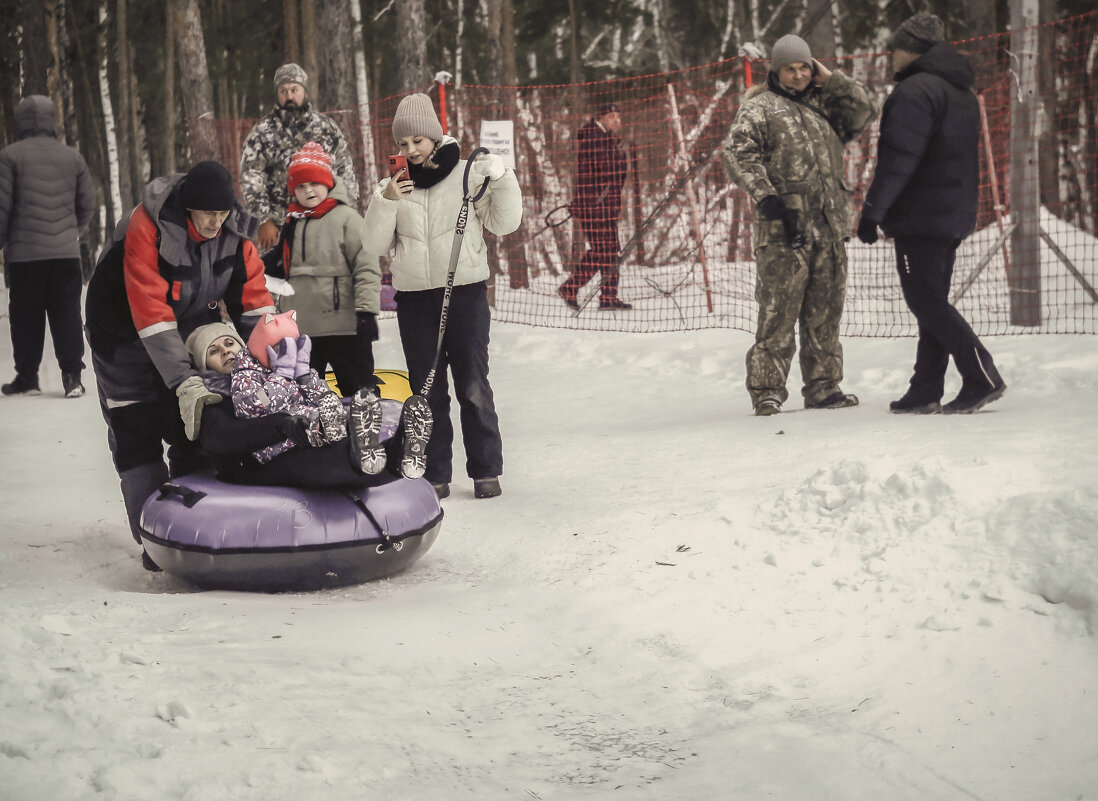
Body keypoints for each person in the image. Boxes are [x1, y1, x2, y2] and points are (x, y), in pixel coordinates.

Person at [84, 160, 277, 558]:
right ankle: (155, 541)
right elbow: (150, 313)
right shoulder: (147, 226)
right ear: (189, 207)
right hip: (120, 334)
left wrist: (275, 362)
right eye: (208, 213)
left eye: (223, 214)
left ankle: (201, 527)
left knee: (199, 423)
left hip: (188, 324)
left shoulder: (235, 234)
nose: (215, 222)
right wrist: (184, 380)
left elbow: (255, 305)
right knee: (137, 428)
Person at [362, 93, 522, 500]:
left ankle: (486, 469)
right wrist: (386, 202)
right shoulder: (392, 187)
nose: (411, 150)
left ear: (435, 136)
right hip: (415, 300)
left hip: (465, 293)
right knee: (426, 390)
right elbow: (374, 244)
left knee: (472, 382)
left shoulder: (469, 174)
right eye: (403, 144)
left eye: (418, 140)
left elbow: (504, 223)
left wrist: (503, 178)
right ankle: (435, 472)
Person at [857, 12, 1006, 415]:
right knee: (932, 301)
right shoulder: (960, 92)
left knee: (926, 300)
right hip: (952, 212)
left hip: (920, 215)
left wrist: (873, 212)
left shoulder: (914, 92)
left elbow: (899, 159)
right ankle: (925, 389)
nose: (890, 55)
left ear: (911, 50)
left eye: (895, 48)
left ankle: (981, 377)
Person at [722, 35, 877, 416]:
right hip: (783, 230)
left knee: (826, 311)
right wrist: (767, 197)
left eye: (804, 67)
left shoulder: (825, 107)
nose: (798, 75)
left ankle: (824, 387)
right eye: (790, 68)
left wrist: (832, 79)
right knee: (778, 310)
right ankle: (767, 390)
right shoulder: (760, 108)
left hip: (829, 226)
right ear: (776, 71)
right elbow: (738, 153)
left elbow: (866, 109)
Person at [184, 318, 432, 484]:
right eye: (214, 351)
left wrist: (305, 378)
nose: (226, 351)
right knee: (322, 461)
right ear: (202, 364)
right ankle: (364, 458)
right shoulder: (211, 396)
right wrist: (282, 424)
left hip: (303, 434)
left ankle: (399, 451)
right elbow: (227, 436)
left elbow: (313, 398)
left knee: (339, 434)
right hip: (259, 460)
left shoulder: (269, 371)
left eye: (230, 344)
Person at [263, 141, 381, 397]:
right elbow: (283, 266)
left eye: (314, 183)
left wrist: (367, 311)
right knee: (304, 395)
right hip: (304, 329)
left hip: (345, 328)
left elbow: (367, 267)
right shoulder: (293, 222)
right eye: (301, 186)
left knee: (359, 390)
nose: (308, 191)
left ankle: (371, 432)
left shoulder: (347, 219)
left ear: (328, 182)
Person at [0, 95, 96, 398]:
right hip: (65, 254)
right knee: (67, 313)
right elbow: (87, 204)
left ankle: (27, 378)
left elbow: (2, 208)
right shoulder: (72, 157)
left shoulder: (9, 156)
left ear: (22, 121)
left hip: (25, 255)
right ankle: (72, 378)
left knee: (25, 316)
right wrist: (71, 232)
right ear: (52, 120)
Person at [240, 63, 359, 252]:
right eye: (283, 91)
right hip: (279, 229)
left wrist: (346, 211)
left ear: (304, 91)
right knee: (276, 280)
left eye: (294, 90)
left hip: (325, 223)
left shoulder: (326, 128)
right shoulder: (262, 133)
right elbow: (251, 177)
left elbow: (345, 171)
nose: (289, 96)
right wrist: (263, 219)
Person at [558, 102, 631, 311]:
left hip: (604, 206)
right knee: (603, 251)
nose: (617, 120)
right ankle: (571, 288)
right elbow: (607, 170)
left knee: (608, 251)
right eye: (613, 116)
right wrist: (620, 155)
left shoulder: (605, 139)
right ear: (602, 117)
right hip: (595, 206)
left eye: (619, 115)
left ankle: (607, 297)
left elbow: (617, 176)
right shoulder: (594, 138)